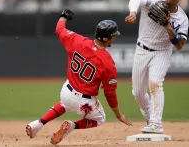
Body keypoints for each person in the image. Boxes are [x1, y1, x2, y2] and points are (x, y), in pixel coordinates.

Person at [26, 9, 132, 145]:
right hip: (84, 102)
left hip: (66, 91)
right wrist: (118, 115)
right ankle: (72, 126)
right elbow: (110, 93)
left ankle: (39, 123)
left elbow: (59, 30)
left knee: (65, 104)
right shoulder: (108, 62)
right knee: (100, 119)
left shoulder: (77, 40)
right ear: (109, 38)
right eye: (114, 35)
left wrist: (63, 17)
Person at [125, 0, 189, 134]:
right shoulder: (154, 3)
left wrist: (168, 27)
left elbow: (180, 45)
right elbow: (136, 0)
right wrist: (133, 12)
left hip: (162, 52)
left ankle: (156, 122)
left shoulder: (182, 19)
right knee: (138, 92)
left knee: (155, 84)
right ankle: (149, 116)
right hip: (142, 50)